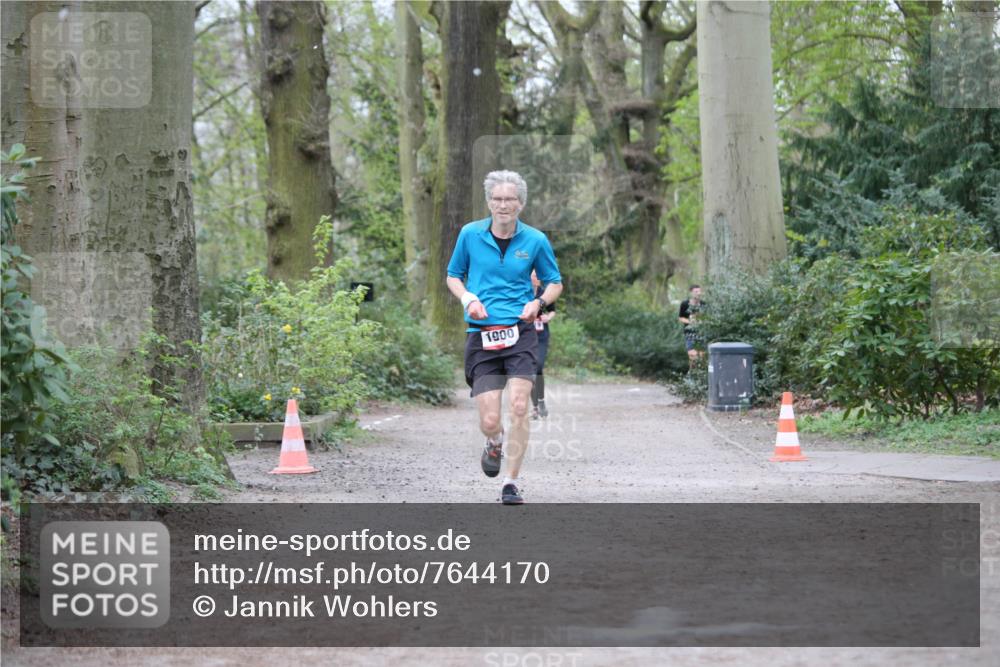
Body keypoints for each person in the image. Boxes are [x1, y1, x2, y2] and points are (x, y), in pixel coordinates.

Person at [446, 170, 563, 505]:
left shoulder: (536, 241)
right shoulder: (469, 234)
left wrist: (538, 303)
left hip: (521, 331)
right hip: (481, 333)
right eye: (497, 199)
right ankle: (493, 440)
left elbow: (555, 282)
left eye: (510, 199)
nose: (503, 205)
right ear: (488, 202)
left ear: (521, 203)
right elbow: (454, 276)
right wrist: (468, 298)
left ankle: (510, 483)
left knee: (519, 405)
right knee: (490, 419)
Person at [529, 269, 556, 419]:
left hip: (541, 336)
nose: (536, 278)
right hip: (525, 336)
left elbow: (553, 311)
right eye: (533, 275)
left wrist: (548, 317)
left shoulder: (545, 293)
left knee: (538, 367)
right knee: (529, 372)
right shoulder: (522, 292)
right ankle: (535, 407)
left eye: (538, 276)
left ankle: (541, 401)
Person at [678, 285, 704, 365]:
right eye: (696, 292)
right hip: (689, 334)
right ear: (691, 293)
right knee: (693, 357)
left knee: (702, 357)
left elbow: (707, 318)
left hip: (702, 334)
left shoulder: (704, 304)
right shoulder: (685, 304)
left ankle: (701, 375)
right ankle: (692, 375)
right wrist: (690, 322)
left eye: (699, 291)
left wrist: (702, 321)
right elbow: (681, 318)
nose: (698, 293)